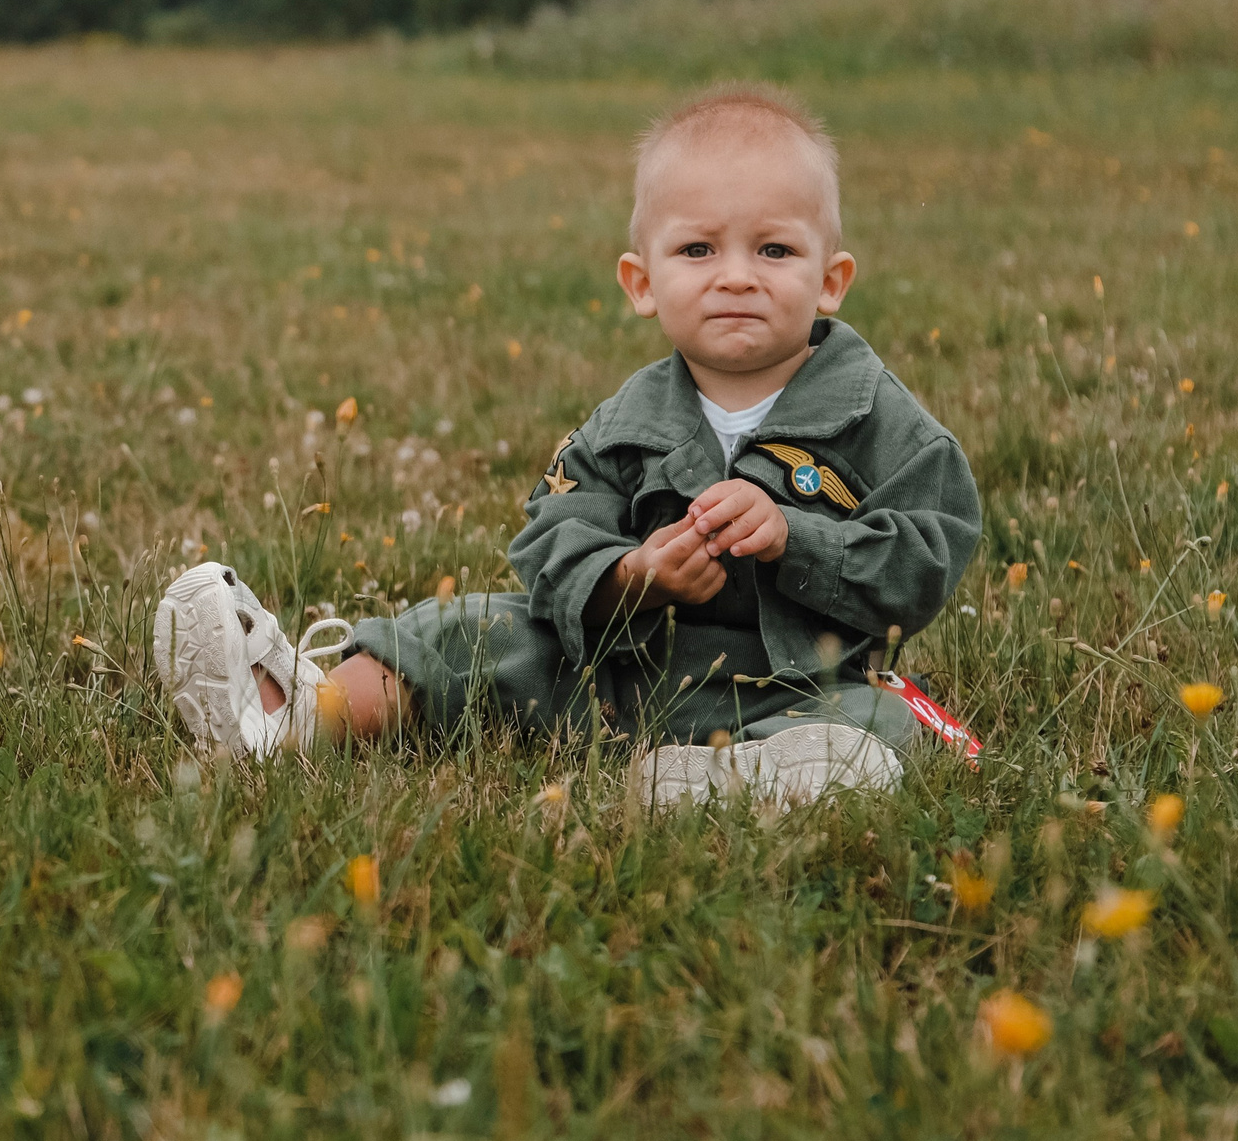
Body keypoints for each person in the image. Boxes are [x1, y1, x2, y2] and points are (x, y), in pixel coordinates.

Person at [153, 83, 981, 805]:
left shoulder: (879, 419)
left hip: (796, 688)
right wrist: (634, 574)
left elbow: (929, 552)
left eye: (775, 249)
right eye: (698, 249)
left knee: (880, 722)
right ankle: (297, 717)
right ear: (643, 283)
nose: (736, 275)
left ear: (831, 279)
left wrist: (796, 537)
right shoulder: (625, 423)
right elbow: (552, 539)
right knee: (466, 630)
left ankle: (733, 780)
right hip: (619, 680)